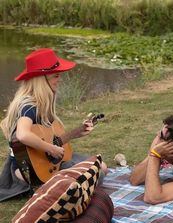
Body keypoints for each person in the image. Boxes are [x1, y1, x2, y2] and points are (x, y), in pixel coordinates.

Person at [0, 48, 107, 202]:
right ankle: (44, 185)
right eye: (56, 76)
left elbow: (49, 138)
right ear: (42, 80)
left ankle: (53, 185)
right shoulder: (30, 106)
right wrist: (51, 148)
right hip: (27, 168)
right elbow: (22, 135)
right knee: (99, 172)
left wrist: (78, 133)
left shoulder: (42, 103)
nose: (60, 79)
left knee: (101, 166)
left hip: (43, 162)